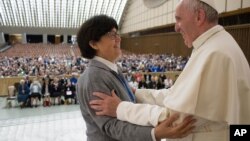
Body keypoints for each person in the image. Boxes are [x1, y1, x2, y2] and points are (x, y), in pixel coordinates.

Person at [89, 0, 250, 141]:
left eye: (179, 19)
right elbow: (176, 95)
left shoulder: (214, 53)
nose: (175, 27)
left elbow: (175, 120)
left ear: (199, 17)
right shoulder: (214, 46)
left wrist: (120, 108)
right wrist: (137, 94)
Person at [76, 14, 195, 141]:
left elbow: (127, 106)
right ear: (94, 44)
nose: (118, 39)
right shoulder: (95, 76)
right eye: (112, 35)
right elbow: (110, 126)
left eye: (117, 34)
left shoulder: (112, 70)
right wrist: (153, 133)